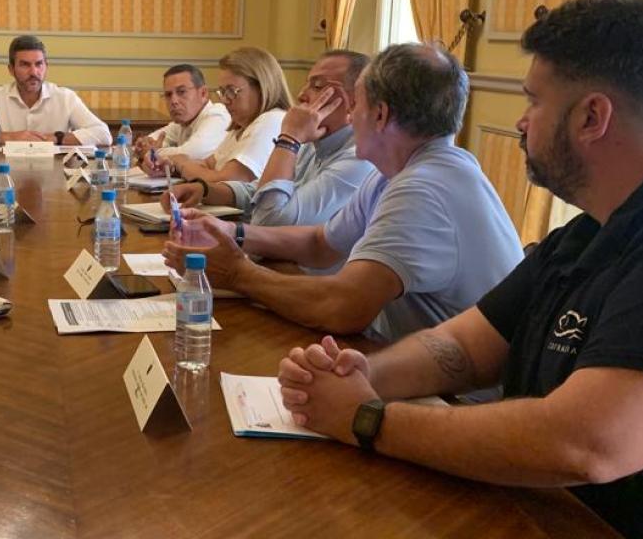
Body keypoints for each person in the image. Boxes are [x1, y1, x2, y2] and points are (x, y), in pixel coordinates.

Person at [277, 0, 643, 539]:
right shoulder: (593, 227)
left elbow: (587, 443)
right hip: (541, 529)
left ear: (592, 117)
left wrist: (368, 418)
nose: (521, 122)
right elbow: (467, 345)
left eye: (533, 101)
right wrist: (362, 373)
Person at [164, 43, 522, 342]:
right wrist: (234, 233)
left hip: (458, 398)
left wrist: (238, 274)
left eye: (357, 106)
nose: (351, 117)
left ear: (378, 115)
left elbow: (342, 307)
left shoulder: (423, 188)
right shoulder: (401, 171)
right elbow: (322, 243)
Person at [162, 50, 375, 229]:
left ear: (355, 101)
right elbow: (259, 191)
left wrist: (289, 138)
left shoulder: (359, 159)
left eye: (317, 87)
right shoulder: (314, 143)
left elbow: (270, 220)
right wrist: (204, 190)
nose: (301, 95)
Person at [0, 35, 110, 146]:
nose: (33, 72)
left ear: (46, 66)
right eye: (25, 65)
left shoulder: (65, 97)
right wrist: (8, 137)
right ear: (11, 69)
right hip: (8, 177)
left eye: (39, 64)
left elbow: (103, 134)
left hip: (54, 181)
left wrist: (57, 138)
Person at [163, 47, 291, 183]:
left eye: (232, 91)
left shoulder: (272, 120)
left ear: (261, 87)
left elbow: (226, 180)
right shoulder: (240, 127)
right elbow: (208, 164)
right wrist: (170, 165)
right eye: (222, 92)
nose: (224, 100)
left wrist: (182, 163)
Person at [132, 64, 230, 167]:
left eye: (182, 92)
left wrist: (152, 153)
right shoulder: (182, 122)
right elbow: (153, 140)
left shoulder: (218, 115)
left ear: (203, 93)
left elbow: (192, 154)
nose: (174, 101)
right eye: (168, 95)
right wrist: (144, 145)